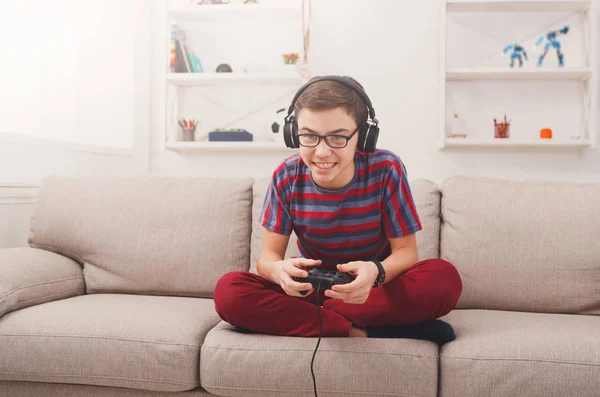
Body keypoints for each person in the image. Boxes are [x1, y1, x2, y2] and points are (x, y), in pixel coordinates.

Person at [213, 75, 462, 344]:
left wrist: (376, 272)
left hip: (372, 290)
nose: (321, 152)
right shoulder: (285, 176)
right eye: (309, 136)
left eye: (338, 138)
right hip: (311, 289)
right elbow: (267, 258)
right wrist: (279, 272)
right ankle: (358, 330)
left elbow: (406, 253)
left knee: (443, 278)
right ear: (293, 133)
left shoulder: (386, 169)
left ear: (363, 137)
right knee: (229, 292)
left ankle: (309, 319)